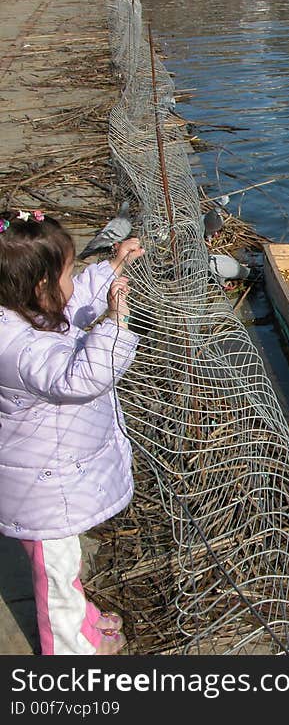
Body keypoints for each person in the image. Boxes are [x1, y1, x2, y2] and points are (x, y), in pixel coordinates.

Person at [0, 208, 144, 655]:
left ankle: (80, 619)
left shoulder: (21, 313)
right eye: (67, 273)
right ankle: (69, 652)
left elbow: (74, 301)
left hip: (48, 478)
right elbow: (83, 377)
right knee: (56, 573)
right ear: (41, 287)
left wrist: (113, 267)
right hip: (43, 492)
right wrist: (116, 322)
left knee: (65, 563)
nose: (72, 281)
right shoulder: (20, 348)